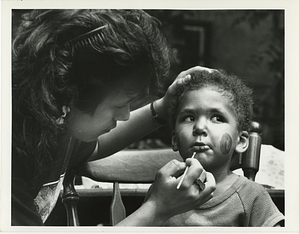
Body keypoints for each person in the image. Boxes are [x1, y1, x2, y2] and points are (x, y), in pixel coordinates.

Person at [12, 9, 216, 226]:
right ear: (70, 92)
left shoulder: (57, 124)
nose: (126, 115)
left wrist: (163, 108)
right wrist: (157, 208)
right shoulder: (10, 159)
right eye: (119, 105)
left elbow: (96, 145)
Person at [159, 69, 285, 226]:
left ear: (241, 141)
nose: (199, 127)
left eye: (217, 118)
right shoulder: (163, 192)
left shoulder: (252, 197)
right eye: (189, 118)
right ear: (175, 139)